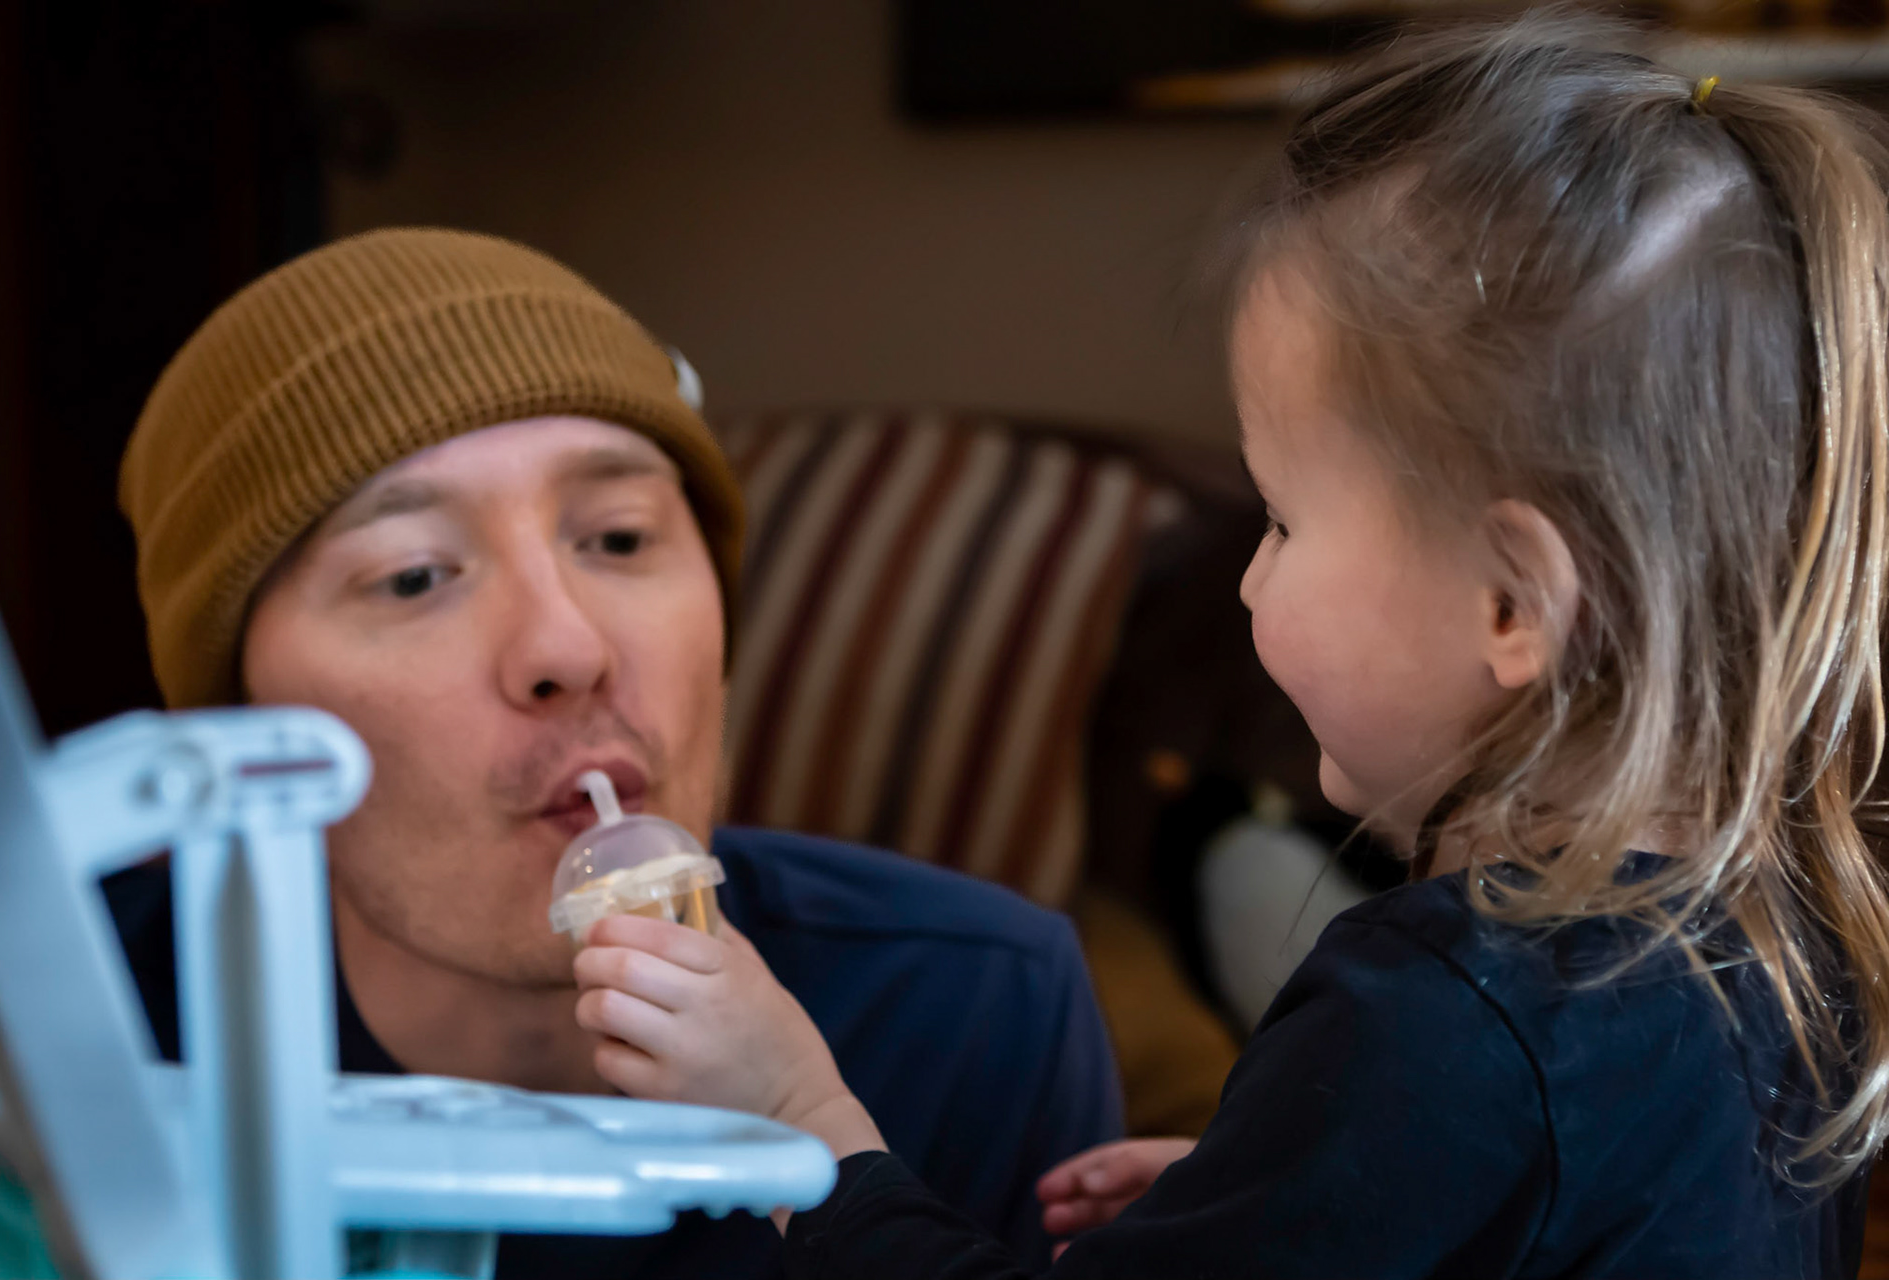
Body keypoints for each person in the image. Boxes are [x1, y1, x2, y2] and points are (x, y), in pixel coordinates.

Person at [572, 14, 1889, 1277]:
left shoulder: (1437, 1014)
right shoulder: (1769, 958)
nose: (1248, 582)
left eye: (1280, 517)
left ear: (1513, 606)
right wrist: (1278, 1192)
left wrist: (800, 1114)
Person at [104, 226, 1122, 1278]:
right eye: (413, 575)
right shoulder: (76, 1033)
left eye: (620, 537)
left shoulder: (977, 1008)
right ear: (245, 726)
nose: (568, 647)